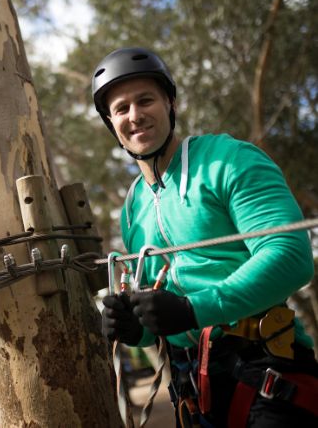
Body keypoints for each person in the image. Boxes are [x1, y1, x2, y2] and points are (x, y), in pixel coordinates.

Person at [93, 47, 318, 427]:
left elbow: (290, 254)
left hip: (265, 370)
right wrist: (138, 330)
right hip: (192, 390)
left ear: (171, 103)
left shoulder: (230, 160)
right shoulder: (132, 208)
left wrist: (193, 309)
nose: (135, 115)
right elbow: (160, 321)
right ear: (111, 123)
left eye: (145, 100)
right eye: (121, 108)